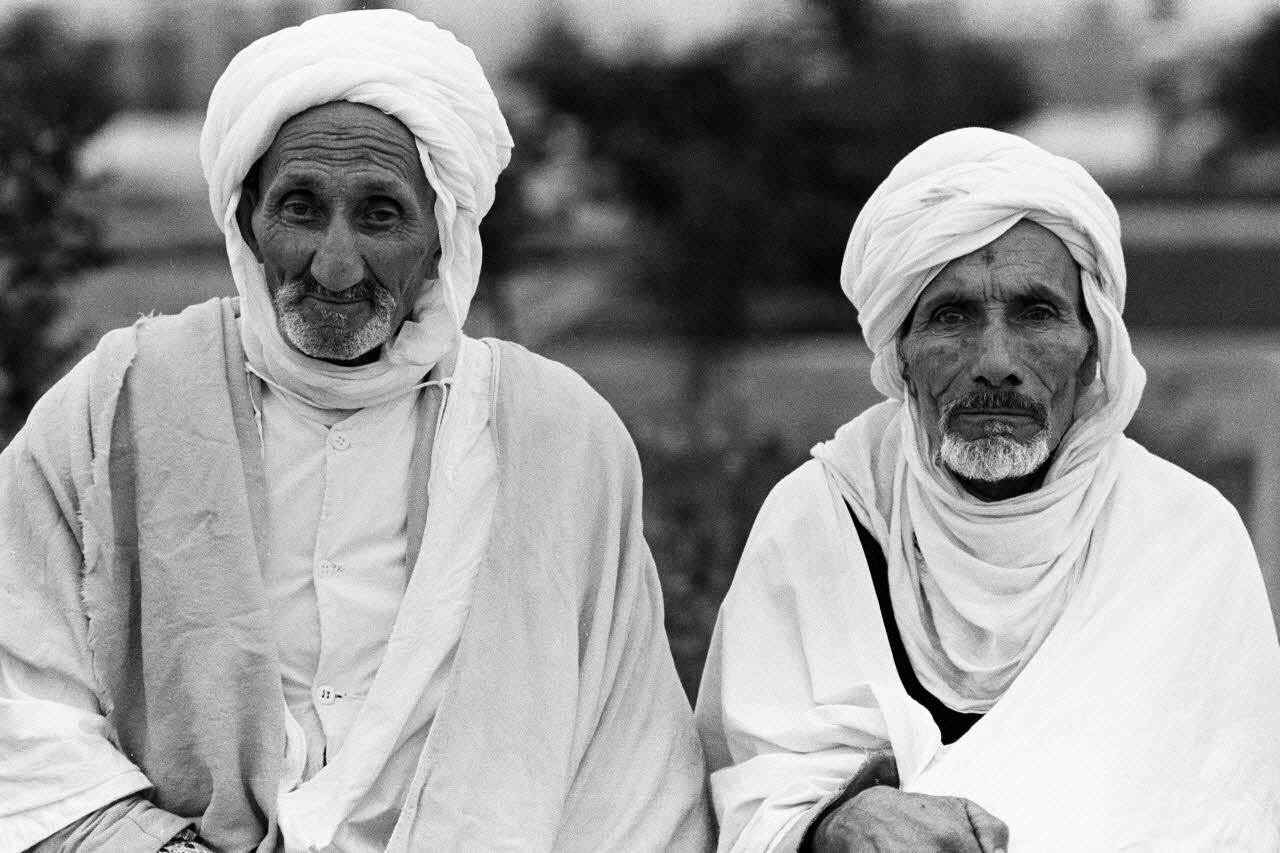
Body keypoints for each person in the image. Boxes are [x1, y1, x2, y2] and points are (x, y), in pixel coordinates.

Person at [0, 11, 710, 853]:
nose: (335, 265)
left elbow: (627, 763)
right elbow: (19, 688)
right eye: (301, 208)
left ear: (443, 235)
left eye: (380, 215)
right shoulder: (120, 399)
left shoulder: (560, 435)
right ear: (247, 219)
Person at [694, 128, 1280, 852]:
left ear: (1093, 347)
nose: (995, 361)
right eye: (952, 316)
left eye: (1037, 314)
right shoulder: (819, 518)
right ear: (900, 352)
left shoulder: (1184, 543)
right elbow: (750, 792)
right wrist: (831, 824)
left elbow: (1224, 820)